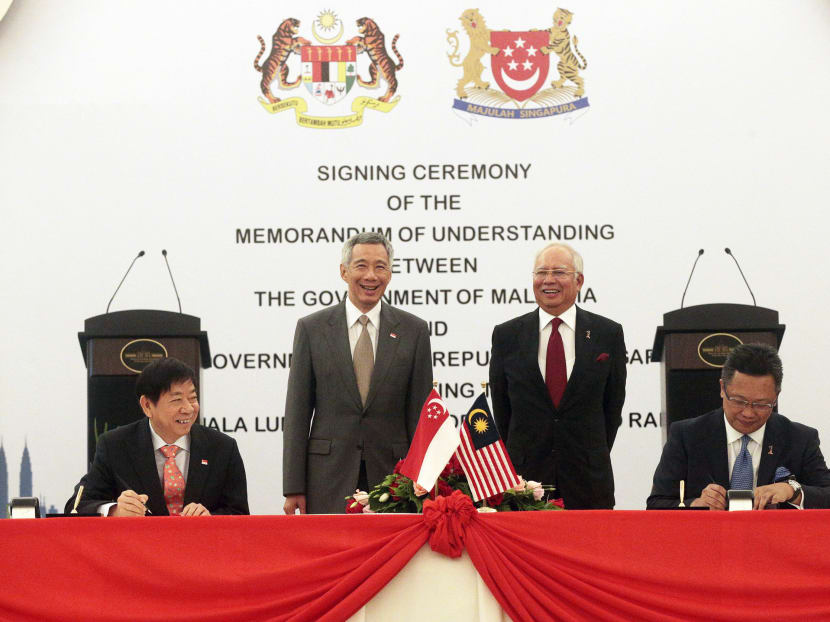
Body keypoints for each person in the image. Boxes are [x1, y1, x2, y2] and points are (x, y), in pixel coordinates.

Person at [283, 232, 433, 514]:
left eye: (380, 267)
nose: (371, 276)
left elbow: (420, 415)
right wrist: (294, 487)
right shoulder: (312, 329)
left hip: (394, 477)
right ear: (344, 271)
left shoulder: (414, 331)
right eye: (361, 266)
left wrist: (423, 484)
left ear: (390, 273)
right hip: (327, 476)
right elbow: (297, 412)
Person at [489, 243, 626, 509]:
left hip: (588, 481)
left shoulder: (607, 334)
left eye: (559, 272)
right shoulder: (507, 335)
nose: (548, 280)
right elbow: (503, 411)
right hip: (525, 482)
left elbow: (612, 408)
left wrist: (586, 452)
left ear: (579, 281)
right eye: (541, 272)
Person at [648, 343, 830, 510]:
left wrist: (793, 491)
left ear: (776, 397)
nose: (748, 413)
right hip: (708, 542)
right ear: (722, 388)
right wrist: (696, 504)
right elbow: (656, 505)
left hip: (775, 543)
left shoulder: (799, 439)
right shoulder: (687, 436)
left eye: (761, 404)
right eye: (739, 401)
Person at [65, 357, 249, 516]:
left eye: (192, 398)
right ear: (147, 406)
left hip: (201, 551)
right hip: (138, 552)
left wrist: (210, 518)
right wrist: (115, 511)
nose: (188, 408)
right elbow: (76, 505)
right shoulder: (115, 445)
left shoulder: (222, 448)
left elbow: (240, 513)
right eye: (176, 400)